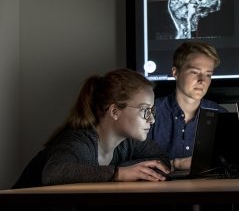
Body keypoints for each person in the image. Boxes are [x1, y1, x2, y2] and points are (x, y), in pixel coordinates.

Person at [12, 68, 171, 189]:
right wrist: (119, 173)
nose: (152, 119)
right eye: (145, 111)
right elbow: (53, 173)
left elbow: (161, 160)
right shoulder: (79, 141)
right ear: (114, 111)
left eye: (152, 111)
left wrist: (130, 169)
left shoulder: (127, 142)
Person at [148, 41, 227, 171]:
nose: (202, 80)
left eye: (208, 74)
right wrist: (175, 164)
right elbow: (130, 162)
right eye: (195, 72)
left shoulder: (221, 115)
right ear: (175, 72)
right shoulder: (150, 113)